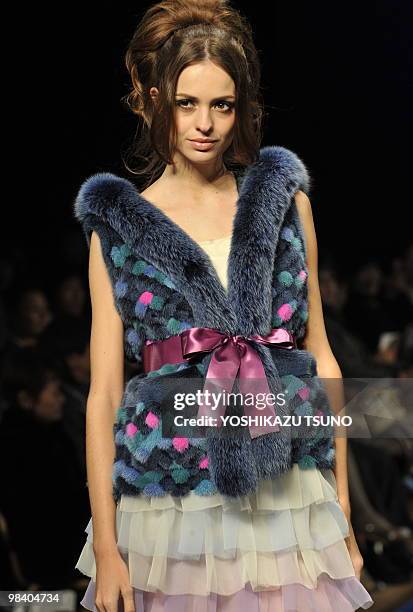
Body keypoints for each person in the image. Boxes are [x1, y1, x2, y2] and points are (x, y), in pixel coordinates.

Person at [73, 1, 374, 610]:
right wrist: (106, 547)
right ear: (157, 100)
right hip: (168, 501)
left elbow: (323, 357)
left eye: (222, 104)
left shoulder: (286, 205)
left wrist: (341, 502)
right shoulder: (119, 228)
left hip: (289, 492)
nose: (204, 123)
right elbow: (105, 392)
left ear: (243, 108)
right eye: (187, 103)